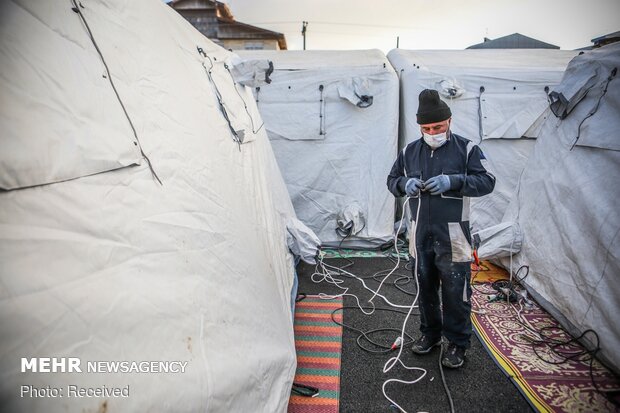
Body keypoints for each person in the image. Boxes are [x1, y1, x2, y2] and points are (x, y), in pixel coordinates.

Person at [387, 89, 495, 368]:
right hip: (420, 232)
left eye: (438, 126)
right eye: (427, 128)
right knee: (424, 287)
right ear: (419, 126)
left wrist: (455, 181)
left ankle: (458, 344)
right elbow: (392, 179)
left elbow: (488, 181)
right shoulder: (409, 151)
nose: (433, 131)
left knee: (456, 291)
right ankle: (430, 335)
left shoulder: (467, 149)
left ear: (449, 121)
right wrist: (403, 185)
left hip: (455, 234)